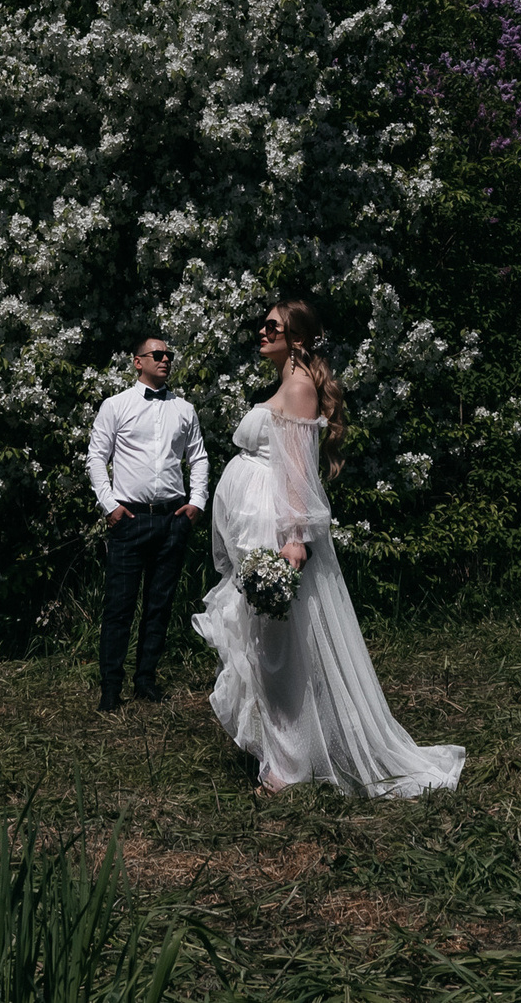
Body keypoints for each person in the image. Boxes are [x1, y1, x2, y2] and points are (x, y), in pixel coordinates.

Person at [194, 299, 466, 796]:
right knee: (264, 645)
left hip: (276, 533)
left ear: (297, 339)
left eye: (272, 326)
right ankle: (283, 752)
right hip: (255, 529)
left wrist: (294, 541)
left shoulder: (298, 389)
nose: (262, 331)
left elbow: (299, 471)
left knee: (279, 650)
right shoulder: (285, 383)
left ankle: (289, 770)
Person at [87, 334, 206, 712]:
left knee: (160, 604)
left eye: (170, 354)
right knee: (119, 606)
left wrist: (197, 502)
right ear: (137, 362)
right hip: (129, 519)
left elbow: (198, 458)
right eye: (158, 354)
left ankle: (146, 680)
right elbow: (95, 458)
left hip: (171, 519)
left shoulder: (184, 409)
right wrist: (109, 506)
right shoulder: (115, 405)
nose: (166, 359)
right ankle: (111, 686)